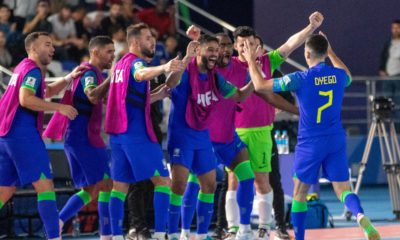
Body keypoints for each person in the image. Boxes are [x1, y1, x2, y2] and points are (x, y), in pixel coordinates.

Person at [244, 31, 382, 240]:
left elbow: (262, 86)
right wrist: (331, 51)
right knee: (343, 190)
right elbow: (348, 75)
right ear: (325, 53)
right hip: (335, 139)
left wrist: (250, 62)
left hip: (310, 142)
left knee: (300, 193)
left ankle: (299, 238)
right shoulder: (338, 76)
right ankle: (360, 215)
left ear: (307, 54)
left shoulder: (300, 78)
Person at [227, 13, 323, 239]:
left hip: (262, 131)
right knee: (233, 181)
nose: (247, 48)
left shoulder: (268, 61)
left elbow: (291, 43)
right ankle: (233, 229)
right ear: (235, 46)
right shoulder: (227, 65)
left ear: (257, 45)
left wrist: (310, 27)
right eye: (242, 45)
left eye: (251, 44)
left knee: (262, 181)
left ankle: (264, 227)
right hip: (234, 132)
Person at [165, 33, 255, 240]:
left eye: (217, 50)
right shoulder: (187, 70)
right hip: (182, 136)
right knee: (179, 185)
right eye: (211, 50)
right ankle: (175, 234)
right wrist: (186, 58)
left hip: (203, 137)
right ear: (198, 50)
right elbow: (170, 83)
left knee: (209, 185)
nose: (216, 54)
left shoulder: (216, 77)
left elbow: (239, 96)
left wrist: (257, 76)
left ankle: (203, 234)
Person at [105, 23, 184, 240]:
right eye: (149, 38)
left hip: (118, 135)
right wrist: (164, 68)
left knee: (120, 187)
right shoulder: (135, 63)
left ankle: (114, 236)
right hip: (135, 133)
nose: (153, 42)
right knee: (163, 182)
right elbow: (140, 74)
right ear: (135, 42)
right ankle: (160, 235)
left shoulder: (119, 65)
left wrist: (158, 94)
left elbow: (133, 97)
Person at [0, 31, 81, 240]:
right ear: (33, 48)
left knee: (5, 191)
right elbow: (26, 99)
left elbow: (44, 92)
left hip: (5, 134)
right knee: (45, 186)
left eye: (53, 44)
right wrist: (60, 108)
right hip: (21, 134)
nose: (52, 48)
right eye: (47, 44)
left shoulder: (22, 68)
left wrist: (69, 77)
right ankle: (54, 237)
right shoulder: (33, 71)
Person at [43, 36, 115, 240]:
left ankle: (57, 223)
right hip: (83, 137)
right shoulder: (89, 73)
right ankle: (107, 235)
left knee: (90, 188)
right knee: (106, 184)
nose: (112, 56)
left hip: (78, 136)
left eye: (113, 51)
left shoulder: (95, 73)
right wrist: (113, 76)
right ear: (95, 52)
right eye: (108, 51)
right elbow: (92, 95)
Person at [379, 19, 400, 128]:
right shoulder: (388, 43)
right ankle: (386, 129)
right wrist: (382, 70)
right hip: (388, 78)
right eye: (393, 28)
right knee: (386, 104)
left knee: (398, 104)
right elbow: (383, 57)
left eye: (397, 28)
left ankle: (398, 130)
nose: (395, 30)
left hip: (398, 78)